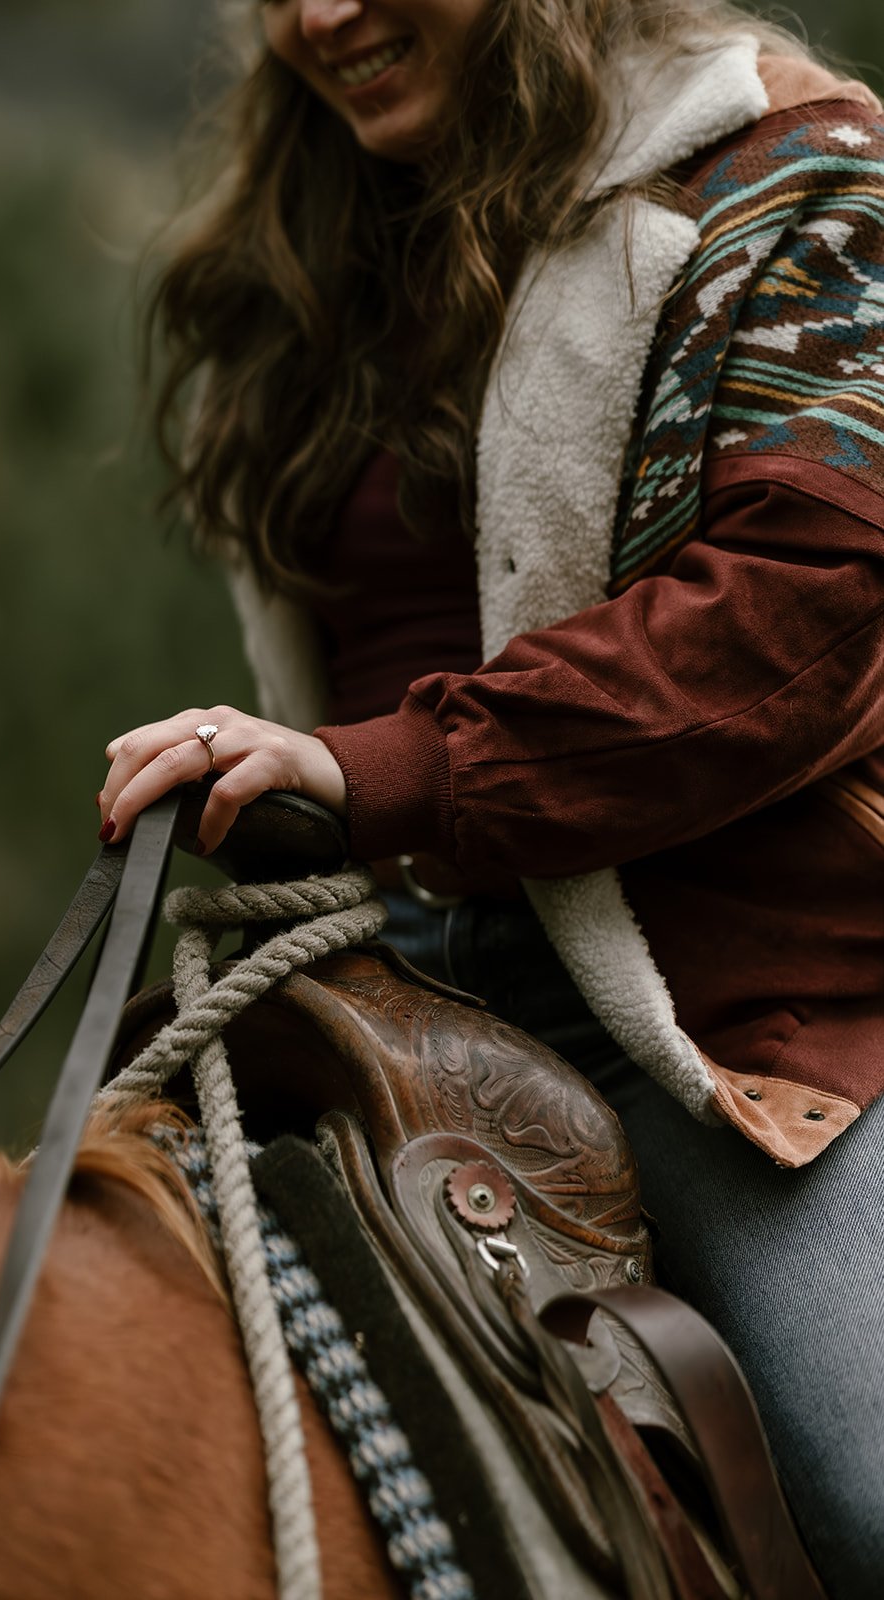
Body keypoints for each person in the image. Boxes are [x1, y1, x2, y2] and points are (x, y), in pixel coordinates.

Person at [96, 2, 884, 1591]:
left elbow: (812, 608)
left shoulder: (793, 170)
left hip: (711, 1015)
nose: (321, 16)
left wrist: (380, 768)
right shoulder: (307, 236)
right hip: (353, 984)